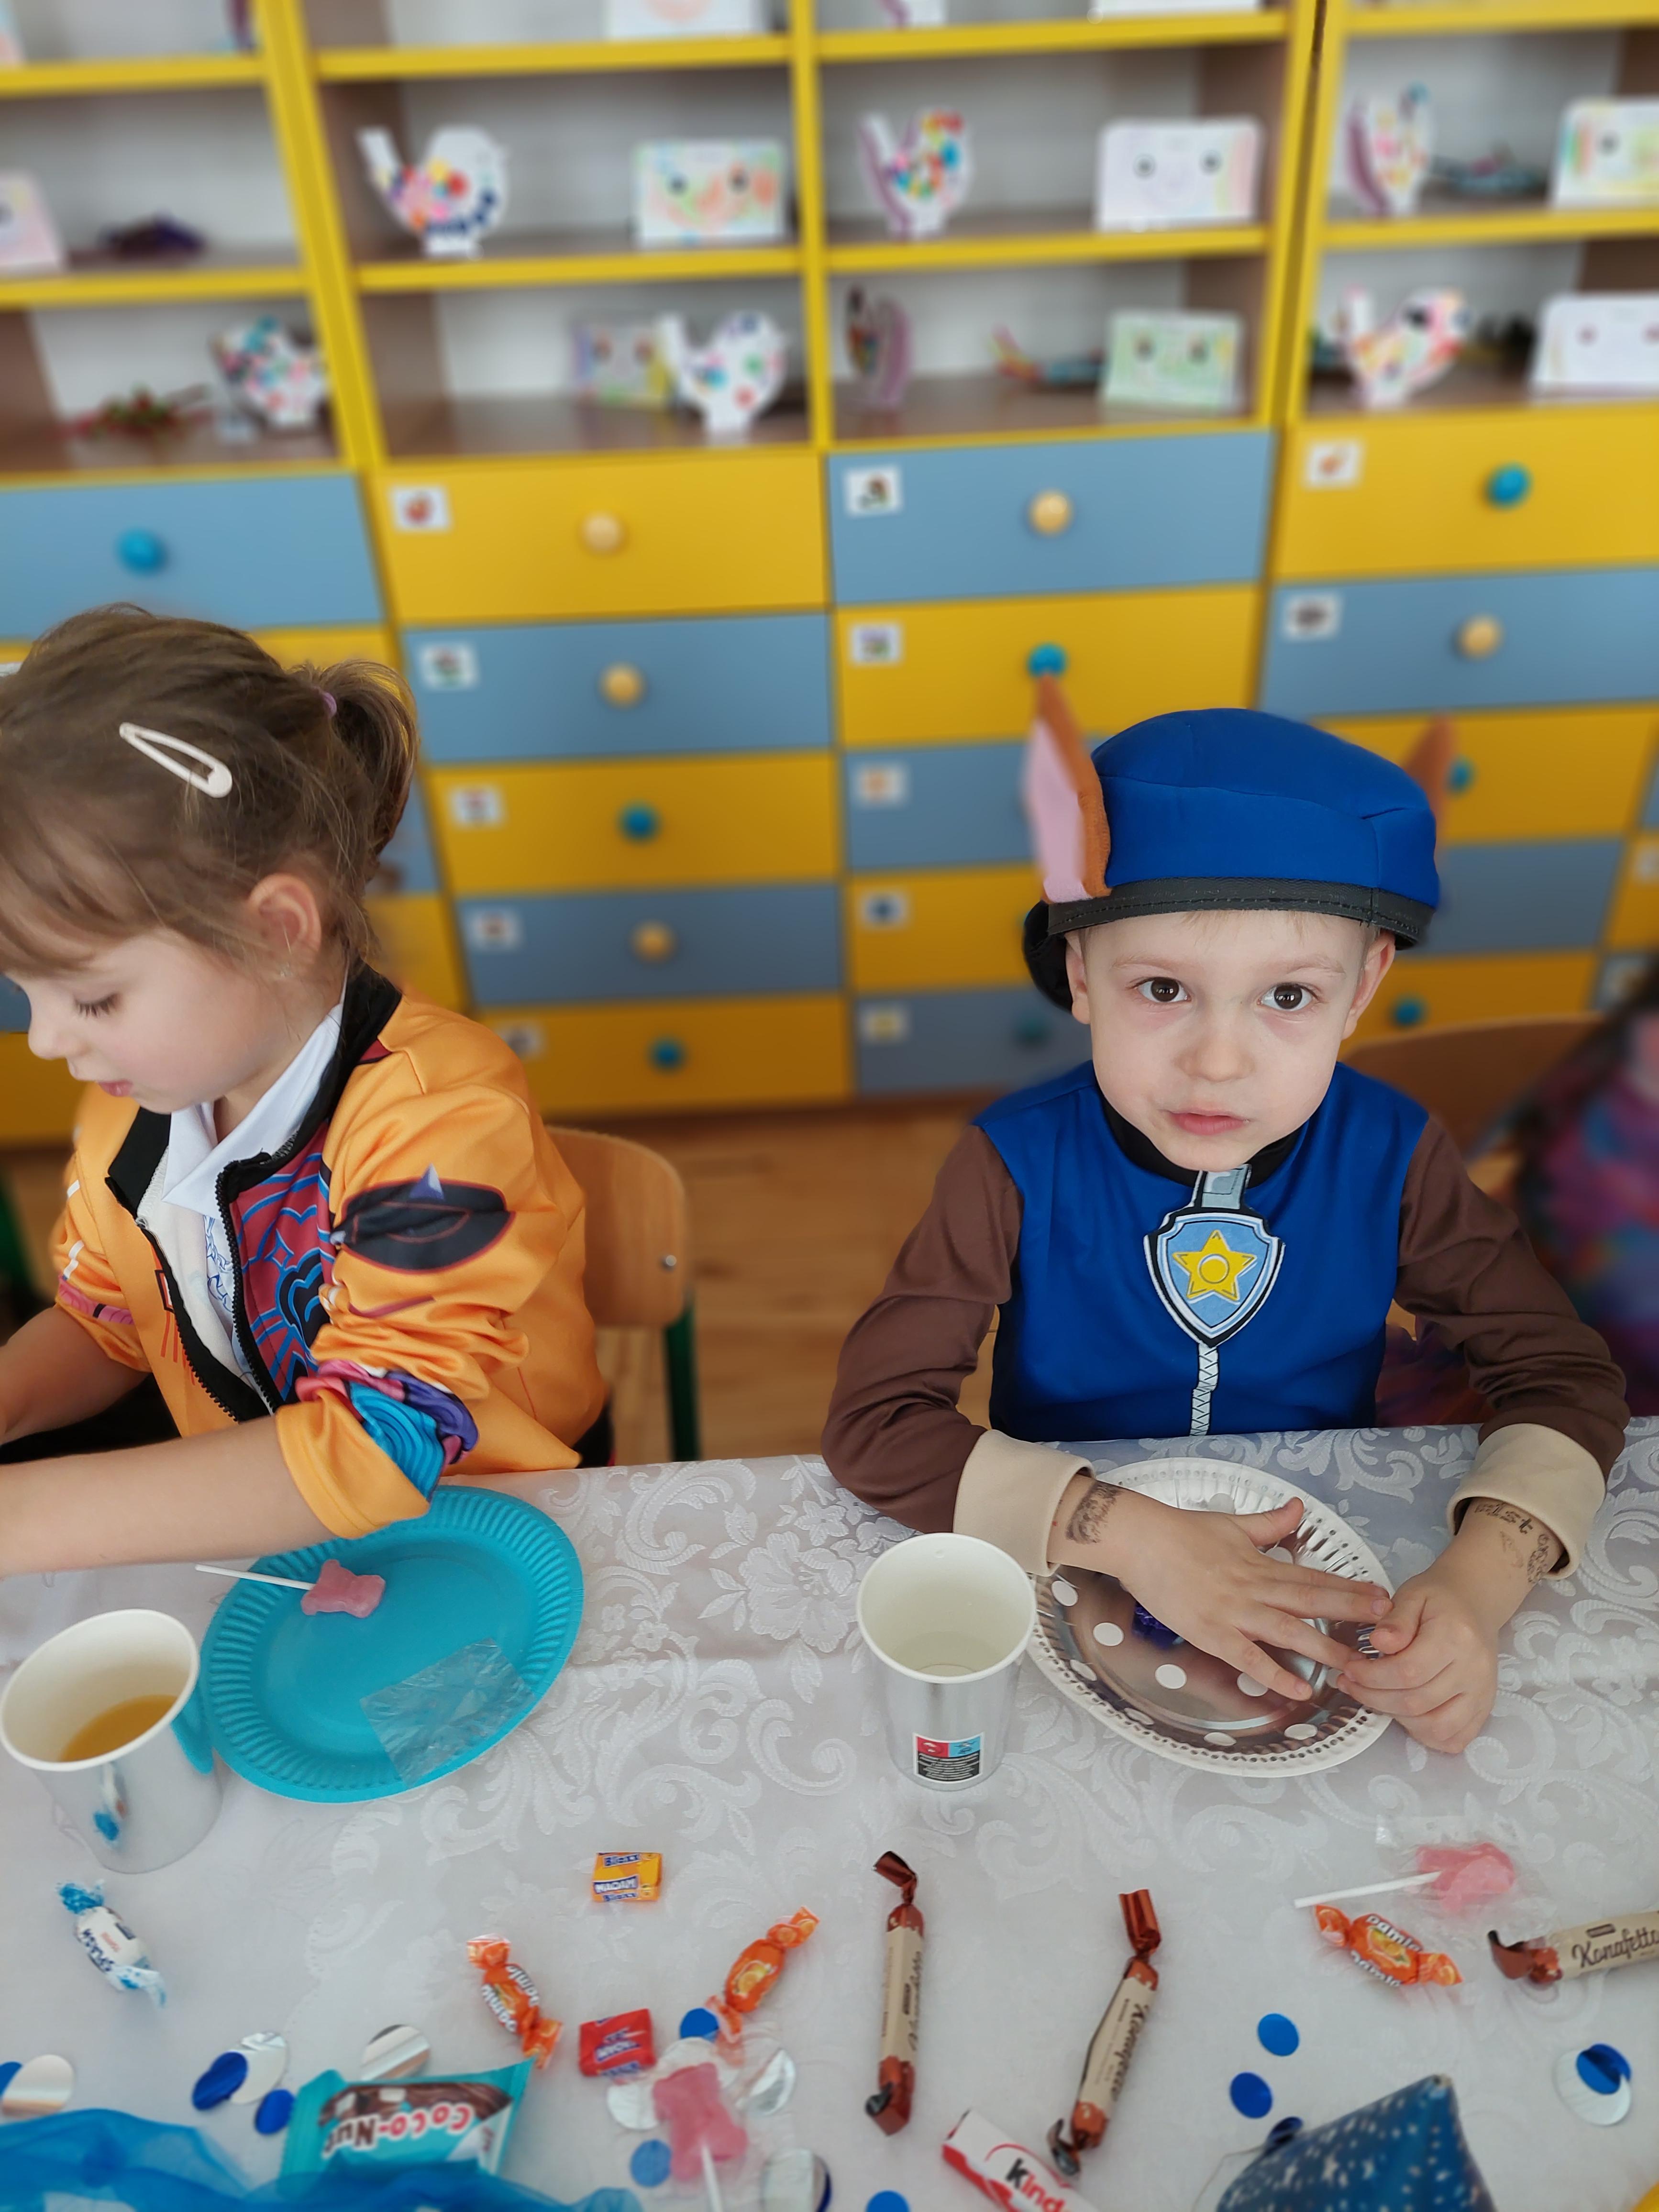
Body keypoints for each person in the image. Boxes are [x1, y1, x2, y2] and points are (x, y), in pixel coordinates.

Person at [823, 696, 1629, 1754]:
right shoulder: (1010, 1163)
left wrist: (1478, 1587)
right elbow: (876, 1425)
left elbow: (1563, 1376)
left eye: (1288, 998)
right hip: (1077, 1562)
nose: (1217, 1062)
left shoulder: (1393, 1156)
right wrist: (1130, 1533)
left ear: (1363, 986)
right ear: (1081, 973)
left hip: (1322, 1565)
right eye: (1163, 987)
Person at [0, 607, 607, 1577]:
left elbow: (378, 1441)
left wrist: (20, 1518)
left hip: (488, 1523)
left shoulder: (442, 1115)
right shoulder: (129, 1100)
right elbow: (107, 1322)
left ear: (277, 928)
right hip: (273, 1522)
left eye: (95, 997)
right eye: (23, 991)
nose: (45, 1039)